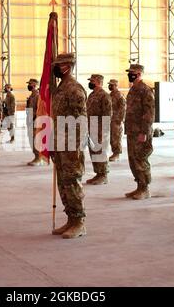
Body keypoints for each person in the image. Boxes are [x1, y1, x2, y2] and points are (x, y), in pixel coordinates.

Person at [51, 53, 88, 239]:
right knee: (63, 183)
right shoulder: (60, 88)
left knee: (72, 182)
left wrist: (76, 148)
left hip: (70, 145)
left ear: (68, 66)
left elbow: (81, 120)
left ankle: (79, 222)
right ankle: (71, 219)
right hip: (59, 143)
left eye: (59, 65)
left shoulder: (74, 89)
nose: (55, 68)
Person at [124, 64, 155, 200]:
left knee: (141, 159)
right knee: (133, 159)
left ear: (139, 74)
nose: (130, 74)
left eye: (133, 72)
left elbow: (149, 113)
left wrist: (144, 132)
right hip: (132, 131)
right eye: (129, 72)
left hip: (141, 131)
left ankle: (145, 189)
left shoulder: (145, 90)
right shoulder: (133, 90)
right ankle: (139, 186)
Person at [86, 74, 112, 185]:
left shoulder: (104, 96)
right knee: (94, 151)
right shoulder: (92, 95)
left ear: (98, 82)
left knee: (101, 151)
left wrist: (103, 130)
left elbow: (108, 114)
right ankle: (98, 173)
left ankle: (104, 175)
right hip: (91, 127)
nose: (90, 82)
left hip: (100, 128)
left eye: (92, 81)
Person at [26, 78, 45, 166]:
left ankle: (39, 158)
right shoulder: (32, 95)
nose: (28, 85)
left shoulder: (37, 96)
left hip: (35, 121)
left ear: (34, 85)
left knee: (36, 140)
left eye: (30, 84)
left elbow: (40, 110)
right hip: (31, 121)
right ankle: (36, 156)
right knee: (32, 139)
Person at [108, 79, 126, 162]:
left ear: (116, 85)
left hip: (116, 120)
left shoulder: (119, 95)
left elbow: (123, 108)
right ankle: (114, 152)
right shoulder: (110, 95)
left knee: (116, 137)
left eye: (111, 85)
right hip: (110, 120)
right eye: (109, 85)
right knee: (112, 137)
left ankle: (117, 154)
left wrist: (120, 119)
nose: (110, 86)